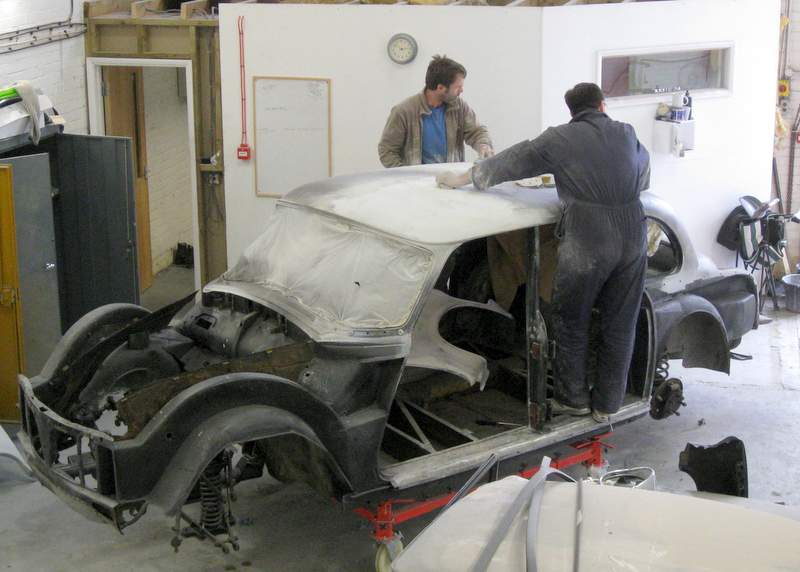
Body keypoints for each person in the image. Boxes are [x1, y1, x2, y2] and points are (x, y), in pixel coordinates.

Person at [436, 82, 650, 423]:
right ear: (602, 105)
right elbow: (643, 177)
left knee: (572, 319)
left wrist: (461, 179)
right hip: (634, 232)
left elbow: (510, 162)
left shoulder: (560, 138)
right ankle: (607, 405)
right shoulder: (627, 133)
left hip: (588, 237)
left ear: (572, 112)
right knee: (621, 323)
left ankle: (573, 399)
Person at [378, 55, 493, 168]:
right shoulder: (403, 111)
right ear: (440, 88)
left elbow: (477, 132)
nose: (461, 90)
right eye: (457, 87)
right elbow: (387, 151)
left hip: (452, 177)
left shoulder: (460, 106)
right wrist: (405, 174)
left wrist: (484, 146)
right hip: (416, 179)